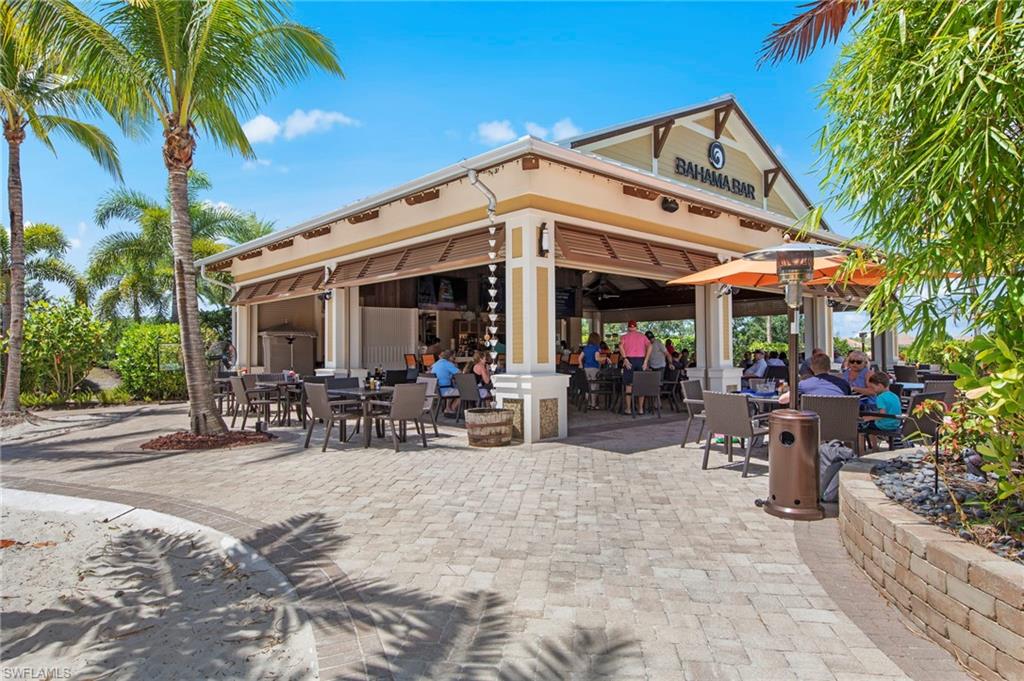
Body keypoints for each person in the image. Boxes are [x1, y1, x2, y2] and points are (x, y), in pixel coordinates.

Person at [777, 353, 851, 405]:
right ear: (829, 367)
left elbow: (782, 400)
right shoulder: (843, 384)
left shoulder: (803, 384)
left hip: (812, 422)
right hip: (840, 422)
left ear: (811, 368)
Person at [859, 372, 902, 450]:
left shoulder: (880, 397)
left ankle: (861, 451)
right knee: (870, 423)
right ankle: (875, 447)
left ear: (880, 386)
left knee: (861, 426)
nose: (872, 390)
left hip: (884, 425)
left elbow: (882, 415)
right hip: (895, 424)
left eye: (873, 387)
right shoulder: (894, 395)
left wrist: (868, 418)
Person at [620, 320, 652, 414]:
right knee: (641, 384)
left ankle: (628, 409)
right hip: (641, 360)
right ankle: (640, 409)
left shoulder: (624, 336)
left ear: (628, 327)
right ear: (636, 327)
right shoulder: (642, 336)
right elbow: (650, 346)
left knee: (628, 385)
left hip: (629, 360)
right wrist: (646, 361)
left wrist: (625, 358)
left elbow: (620, 346)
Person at [432, 350, 460, 416]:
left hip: (436, 389)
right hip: (444, 389)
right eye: (454, 357)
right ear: (450, 357)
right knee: (463, 392)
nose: (454, 358)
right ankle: (450, 409)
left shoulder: (435, 364)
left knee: (452, 387)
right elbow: (460, 373)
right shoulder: (448, 364)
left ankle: (448, 408)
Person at [581, 332, 604, 408]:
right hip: (594, 368)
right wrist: (605, 358)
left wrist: (581, 365)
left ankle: (587, 403)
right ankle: (593, 404)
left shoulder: (586, 348)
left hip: (586, 368)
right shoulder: (596, 348)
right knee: (594, 386)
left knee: (587, 386)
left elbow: (580, 357)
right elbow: (597, 358)